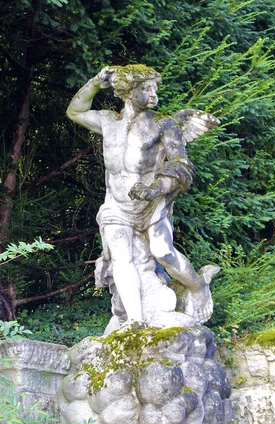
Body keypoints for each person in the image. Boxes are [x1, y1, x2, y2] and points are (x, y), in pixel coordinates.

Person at [66, 64, 219, 325]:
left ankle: (197, 287)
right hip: (117, 206)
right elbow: (74, 111)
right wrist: (94, 83)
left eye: (154, 89)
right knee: (121, 258)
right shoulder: (108, 122)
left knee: (163, 252)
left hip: (151, 204)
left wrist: (153, 189)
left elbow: (181, 165)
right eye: (146, 89)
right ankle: (134, 321)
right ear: (128, 91)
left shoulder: (162, 125)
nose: (153, 94)